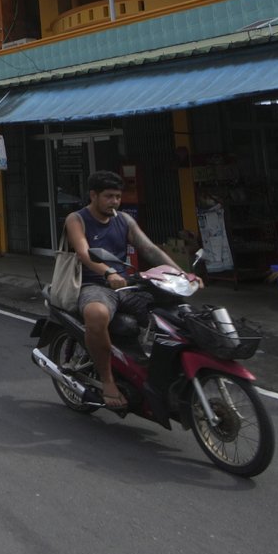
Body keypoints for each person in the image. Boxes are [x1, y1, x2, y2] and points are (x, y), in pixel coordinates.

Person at [65, 169, 199, 409]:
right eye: (108, 196)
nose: (115, 202)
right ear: (93, 195)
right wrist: (108, 272)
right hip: (94, 284)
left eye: (117, 196)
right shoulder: (77, 219)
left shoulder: (124, 219)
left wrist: (182, 274)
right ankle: (107, 381)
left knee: (173, 311)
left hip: (127, 284)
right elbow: (84, 252)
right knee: (96, 315)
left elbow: (149, 249)